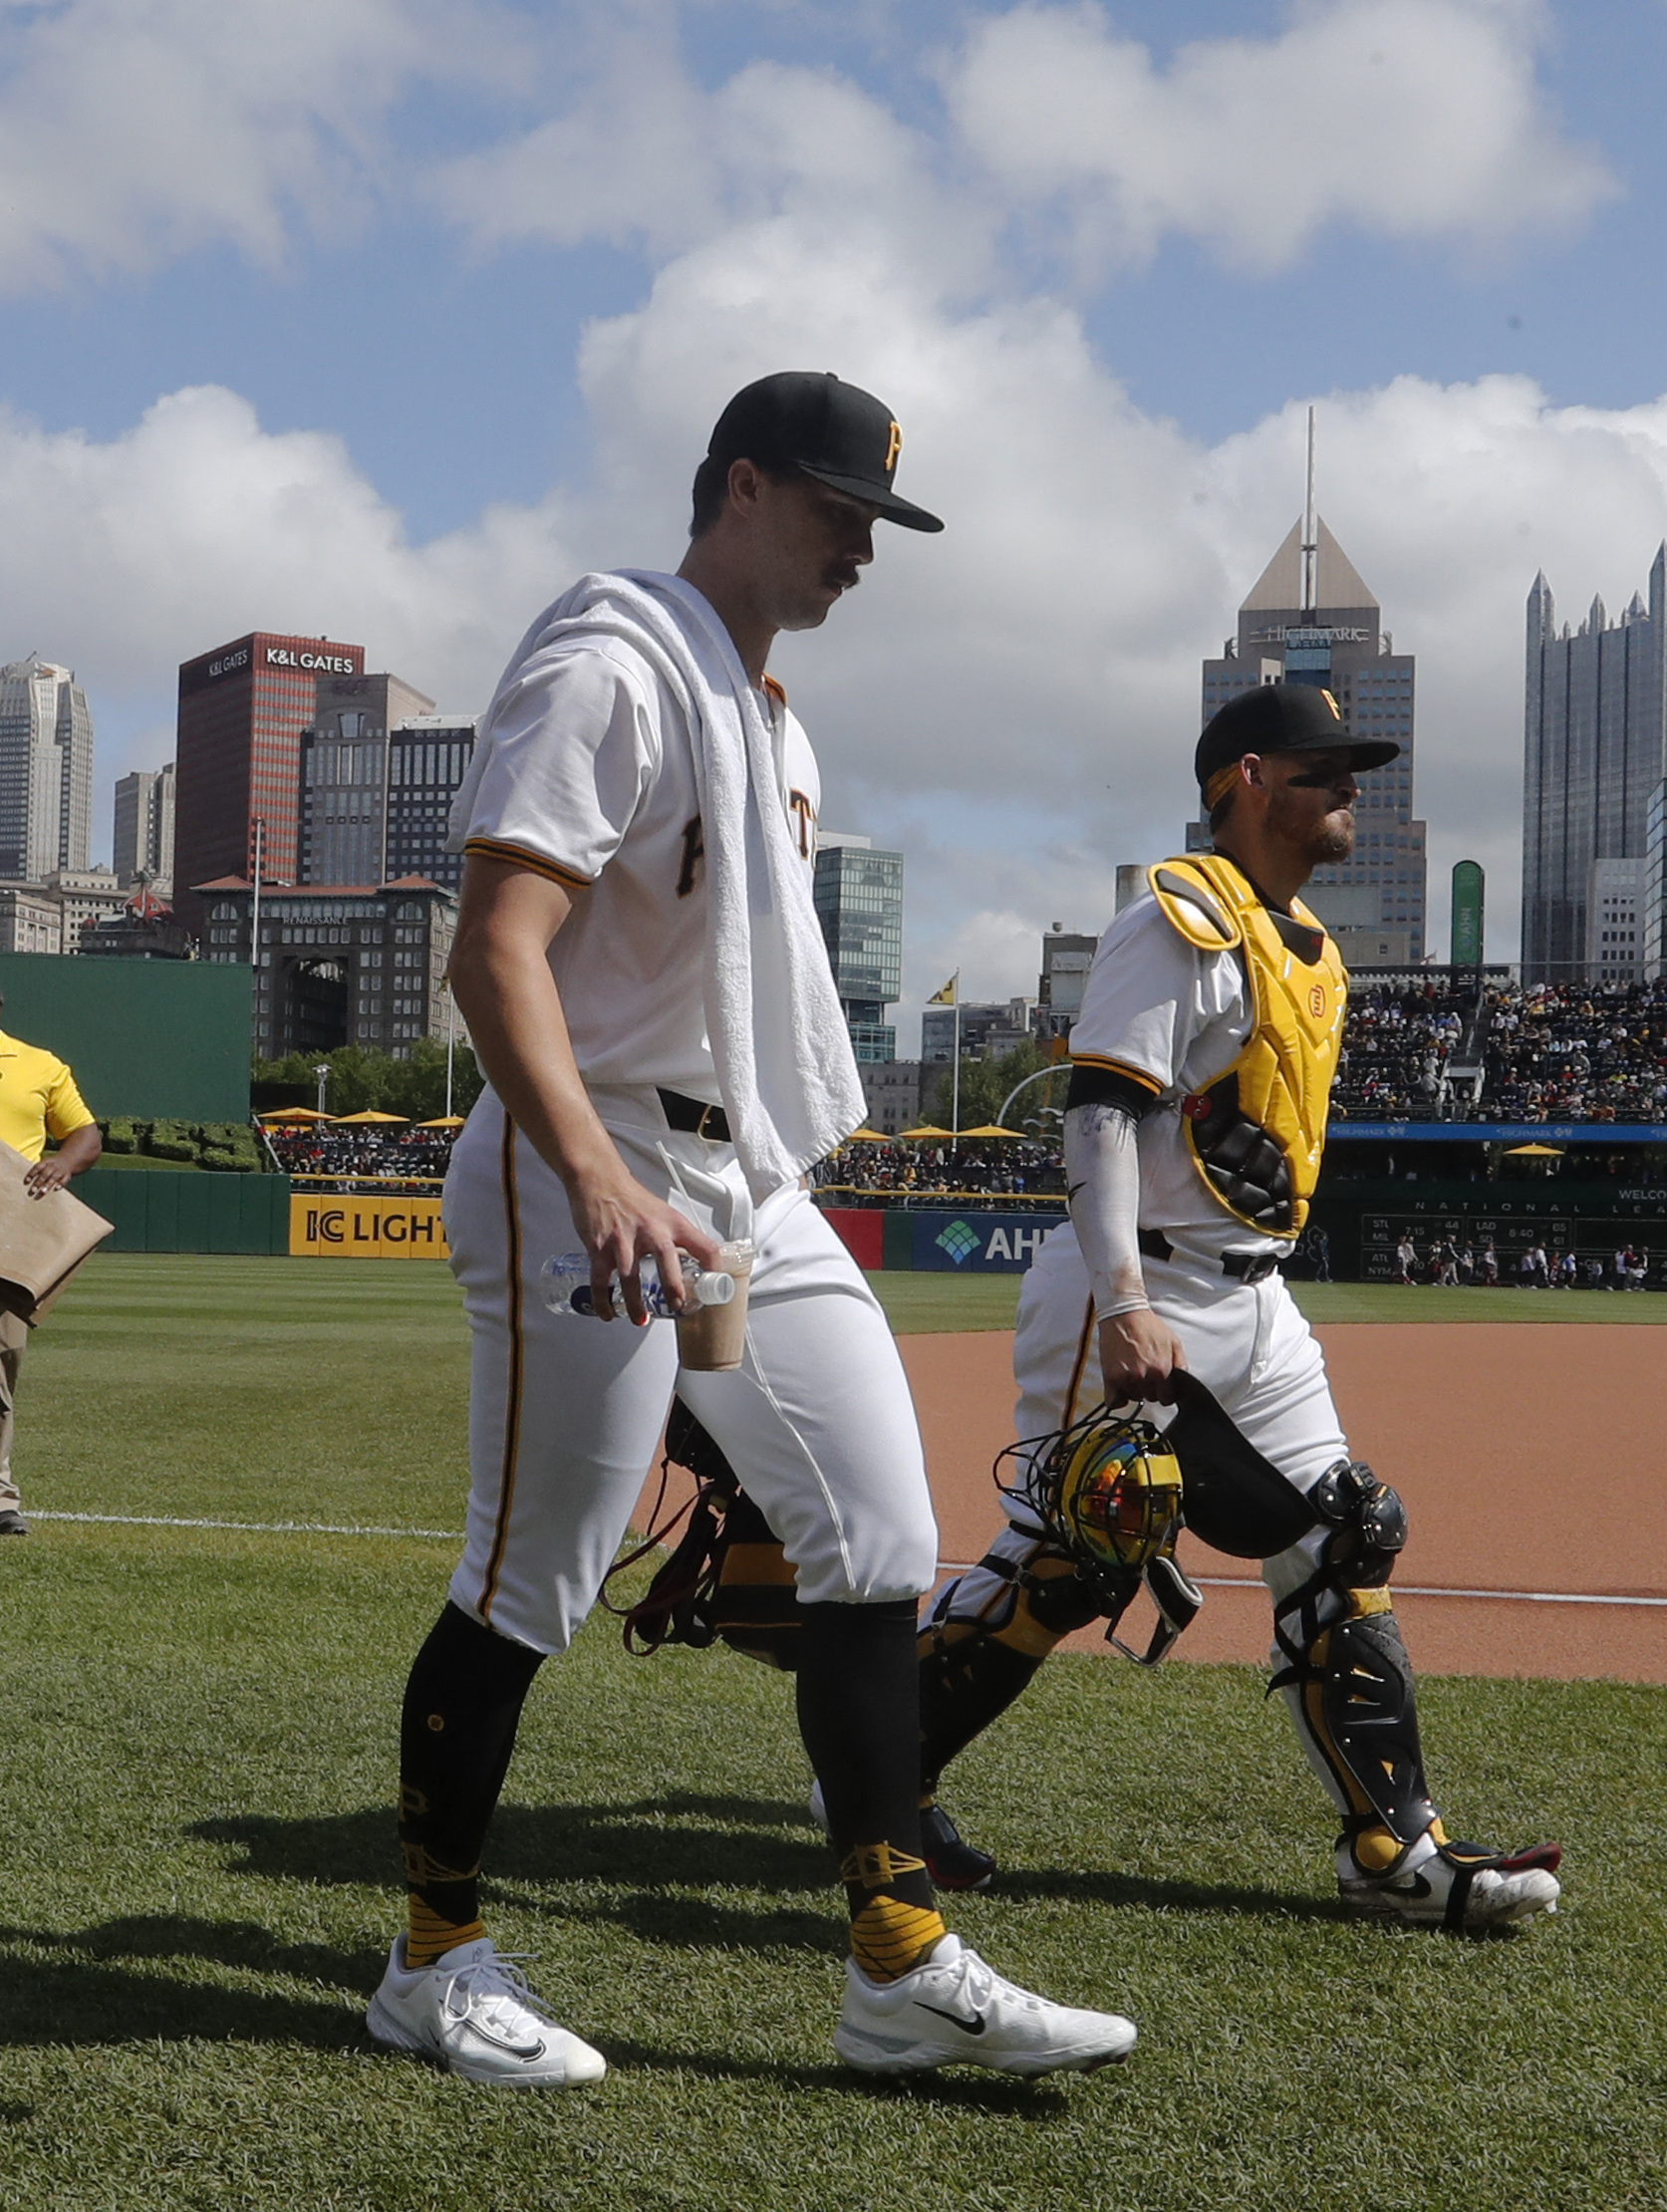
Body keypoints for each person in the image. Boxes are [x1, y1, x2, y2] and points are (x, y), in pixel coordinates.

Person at [371, 372, 1133, 2089]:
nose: (864, 543)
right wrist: (589, 1170)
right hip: (595, 1154)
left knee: (876, 1535)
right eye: (836, 508)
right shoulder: (612, 654)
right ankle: (431, 1956)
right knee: (528, 1579)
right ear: (734, 488)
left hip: (744, 1187)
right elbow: (496, 947)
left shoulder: (770, 716)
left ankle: (895, 1960)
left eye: (876, 519)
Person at [916, 682, 1562, 1931]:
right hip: (1144, 1285)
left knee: (1342, 1537)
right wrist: (1121, 1300)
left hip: (1260, 1301)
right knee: (1073, 1559)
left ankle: (1393, 1848)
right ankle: (875, 1780)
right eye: (1324, 771)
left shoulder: (1306, 946)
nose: (1349, 794)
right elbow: (1099, 1110)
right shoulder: (1178, 917)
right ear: (1248, 778)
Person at [0, 992, 103, 1538]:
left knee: (3, 1358)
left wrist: (63, 1163)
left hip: (11, 1234)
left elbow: (86, 1135)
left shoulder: (39, 1064)